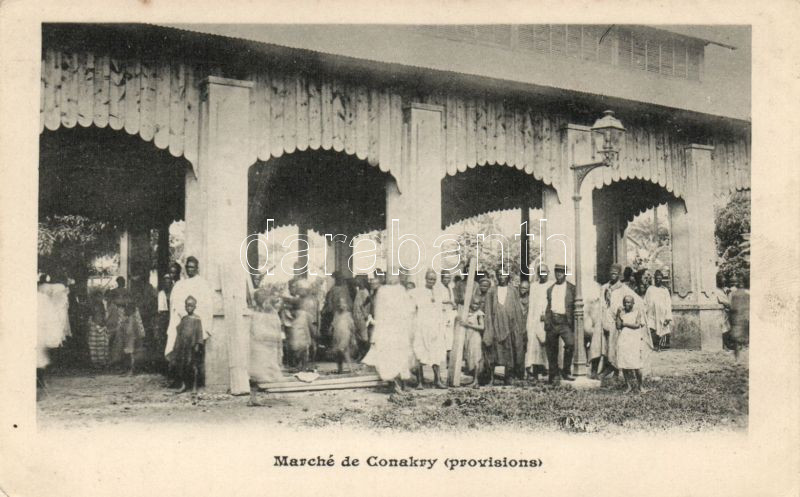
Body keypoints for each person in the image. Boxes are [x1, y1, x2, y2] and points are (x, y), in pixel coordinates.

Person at [362, 273, 417, 394]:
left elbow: (408, 310)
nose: (393, 279)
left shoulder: (402, 290)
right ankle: (393, 384)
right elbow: (379, 312)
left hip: (400, 329)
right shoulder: (382, 291)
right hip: (387, 329)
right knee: (389, 357)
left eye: (395, 276)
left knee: (402, 357)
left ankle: (402, 384)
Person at [165, 256, 214, 368]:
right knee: (178, 350)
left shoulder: (203, 284)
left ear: (197, 268)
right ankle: (179, 378)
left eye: (192, 267)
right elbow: (175, 303)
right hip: (183, 323)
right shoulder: (181, 284)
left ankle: (193, 381)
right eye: (187, 267)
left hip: (196, 324)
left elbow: (206, 305)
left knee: (194, 355)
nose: (189, 269)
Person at [483, 269, 526, 386]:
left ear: (508, 276)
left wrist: (518, 327)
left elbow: (517, 309)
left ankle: (509, 377)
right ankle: (497, 377)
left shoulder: (513, 291)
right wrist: (489, 327)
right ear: (496, 276)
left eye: (504, 275)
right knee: (497, 352)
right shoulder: (491, 291)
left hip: (510, 326)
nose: (502, 277)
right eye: (499, 274)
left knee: (509, 352)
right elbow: (488, 310)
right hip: (496, 325)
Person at [412, 269, 448, 389]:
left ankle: (437, 380)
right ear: (425, 279)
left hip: (435, 327)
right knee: (420, 353)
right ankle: (420, 382)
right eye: (429, 279)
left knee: (436, 354)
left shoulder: (438, 293)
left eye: (434, 279)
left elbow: (440, 309)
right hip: (422, 326)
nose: (431, 281)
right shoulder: (418, 292)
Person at [248, 289, 284, 406]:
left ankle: (275, 395)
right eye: (260, 299)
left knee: (272, 370)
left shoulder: (272, 313)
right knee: (256, 373)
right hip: (258, 346)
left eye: (264, 299)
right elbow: (253, 331)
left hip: (270, 346)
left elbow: (278, 330)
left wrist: (279, 347)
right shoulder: (253, 314)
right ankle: (253, 397)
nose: (263, 302)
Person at [544, 264, 576, 384]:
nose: (559, 275)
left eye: (561, 272)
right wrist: (547, 321)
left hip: (565, 322)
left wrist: (572, 321)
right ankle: (553, 374)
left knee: (570, 344)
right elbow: (548, 306)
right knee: (551, 349)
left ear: (565, 274)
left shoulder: (572, 288)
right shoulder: (550, 289)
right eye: (557, 272)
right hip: (552, 320)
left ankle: (566, 371)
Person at [172, 296, 205, 395]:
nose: (189, 308)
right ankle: (184, 385)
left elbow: (199, 332)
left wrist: (197, 345)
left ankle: (194, 386)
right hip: (183, 346)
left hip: (192, 345)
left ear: (195, 307)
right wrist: (177, 344)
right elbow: (179, 331)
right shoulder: (184, 318)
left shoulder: (197, 319)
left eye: (191, 306)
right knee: (183, 365)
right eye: (187, 306)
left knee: (193, 366)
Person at [615, 295, 648, 394]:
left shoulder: (637, 312)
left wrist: (625, 324)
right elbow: (618, 326)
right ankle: (628, 386)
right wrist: (617, 314)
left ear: (633, 303)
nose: (626, 304)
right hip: (624, 339)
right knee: (624, 363)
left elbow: (637, 325)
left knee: (637, 365)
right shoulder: (622, 312)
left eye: (629, 302)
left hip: (634, 339)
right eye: (625, 302)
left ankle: (640, 386)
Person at [525, 264, 549, 382]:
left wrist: (547, 316)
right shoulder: (534, 286)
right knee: (533, 346)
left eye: (544, 272)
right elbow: (532, 305)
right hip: (534, 319)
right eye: (540, 272)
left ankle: (545, 370)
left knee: (545, 345)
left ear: (548, 273)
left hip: (546, 319)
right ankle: (533, 371)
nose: (542, 274)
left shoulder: (551, 285)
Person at [456, 297, 485, 389]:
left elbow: (482, 327)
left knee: (476, 358)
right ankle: (473, 380)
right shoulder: (466, 314)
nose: (475, 306)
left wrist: (468, 324)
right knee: (470, 358)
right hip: (468, 337)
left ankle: (476, 381)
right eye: (473, 304)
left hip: (475, 337)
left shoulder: (479, 314)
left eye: (477, 304)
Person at [645, 270, 673, 351]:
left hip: (661, 314)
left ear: (662, 279)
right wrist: (644, 312)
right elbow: (646, 302)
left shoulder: (665, 290)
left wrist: (668, 316)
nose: (658, 280)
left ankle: (660, 346)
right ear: (654, 278)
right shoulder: (650, 289)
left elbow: (668, 304)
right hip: (651, 313)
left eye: (660, 279)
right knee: (651, 327)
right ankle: (652, 345)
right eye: (657, 278)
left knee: (661, 329)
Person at [106, 276, 130, 366]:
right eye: (120, 281)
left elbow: (128, 301)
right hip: (115, 314)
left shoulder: (126, 291)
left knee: (122, 336)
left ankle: (120, 358)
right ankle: (114, 358)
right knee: (114, 335)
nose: (121, 283)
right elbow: (110, 302)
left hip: (123, 314)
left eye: (122, 281)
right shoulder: (114, 292)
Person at [118, 297, 145, 375]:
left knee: (131, 354)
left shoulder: (132, 318)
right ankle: (129, 369)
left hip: (131, 338)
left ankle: (132, 370)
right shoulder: (129, 317)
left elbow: (131, 330)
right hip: (129, 338)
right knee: (128, 353)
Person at [330, 296, 357, 374]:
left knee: (343, 350)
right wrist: (330, 328)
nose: (341, 305)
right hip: (337, 335)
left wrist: (353, 336)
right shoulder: (336, 314)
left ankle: (351, 369)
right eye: (340, 304)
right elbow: (333, 323)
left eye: (343, 304)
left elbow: (352, 326)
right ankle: (340, 369)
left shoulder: (348, 314)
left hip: (345, 335)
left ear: (346, 305)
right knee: (339, 353)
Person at [728, 274, 750, 361]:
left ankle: (739, 358)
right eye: (739, 282)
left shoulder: (734, 294)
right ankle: (738, 359)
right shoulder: (733, 294)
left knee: (739, 339)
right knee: (737, 340)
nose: (740, 283)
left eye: (741, 281)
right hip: (738, 317)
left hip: (742, 317)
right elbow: (731, 306)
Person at [155, 273, 173, 374]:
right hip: (164, 319)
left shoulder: (174, 292)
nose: (167, 283)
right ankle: (164, 367)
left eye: (169, 281)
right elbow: (161, 310)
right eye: (165, 281)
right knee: (163, 342)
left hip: (172, 318)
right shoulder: (161, 294)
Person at [87, 294, 109, 368]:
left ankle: (103, 362)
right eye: (97, 297)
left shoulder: (102, 306)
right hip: (94, 326)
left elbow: (104, 317)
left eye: (100, 297)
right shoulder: (92, 306)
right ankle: (95, 363)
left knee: (102, 345)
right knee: (94, 345)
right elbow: (90, 317)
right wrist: (91, 324)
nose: (99, 298)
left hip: (101, 326)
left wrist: (103, 324)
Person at [352, 276, 372, 360]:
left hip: (362, 317)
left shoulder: (365, 292)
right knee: (358, 337)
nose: (356, 282)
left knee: (364, 337)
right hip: (357, 317)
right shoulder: (359, 291)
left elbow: (366, 305)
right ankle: (361, 354)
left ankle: (365, 355)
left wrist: (365, 316)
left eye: (358, 281)